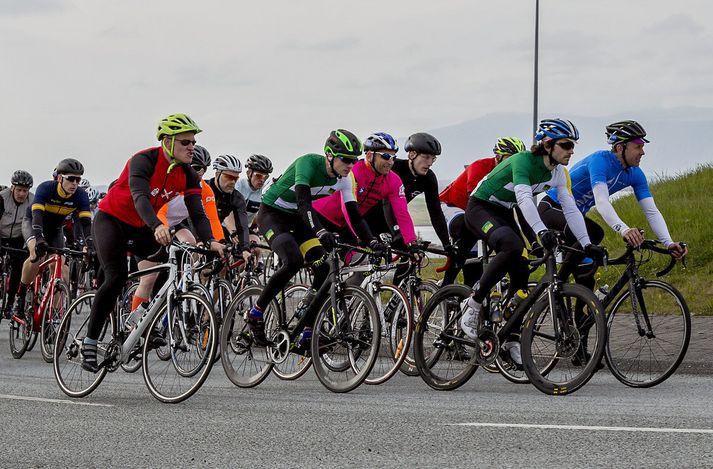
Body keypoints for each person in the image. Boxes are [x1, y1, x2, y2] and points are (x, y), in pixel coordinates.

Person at [81, 113, 224, 372]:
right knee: (116, 276)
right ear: (167, 142)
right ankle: (90, 342)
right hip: (112, 220)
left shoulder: (188, 174)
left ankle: (143, 322)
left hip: (140, 226)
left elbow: (197, 212)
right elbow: (140, 198)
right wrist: (157, 225)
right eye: (185, 142)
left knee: (165, 265)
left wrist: (211, 241)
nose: (191, 147)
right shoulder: (143, 160)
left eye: (193, 142)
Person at [458, 118, 605, 366]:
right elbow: (525, 200)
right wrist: (541, 232)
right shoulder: (522, 161)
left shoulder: (559, 173)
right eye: (567, 145)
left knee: (522, 271)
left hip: (504, 210)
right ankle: (472, 304)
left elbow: (570, 209)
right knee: (512, 246)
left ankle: (512, 338)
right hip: (480, 207)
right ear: (547, 144)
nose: (572, 151)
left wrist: (586, 243)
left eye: (573, 146)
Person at [538, 120, 687, 293]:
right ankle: (554, 288)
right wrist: (624, 230)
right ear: (619, 148)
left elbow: (651, 212)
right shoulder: (599, 161)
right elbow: (602, 202)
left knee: (586, 277)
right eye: (638, 146)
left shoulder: (635, 174)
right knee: (595, 233)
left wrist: (668, 243)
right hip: (551, 209)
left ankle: (578, 317)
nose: (643, 152)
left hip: (575, 218)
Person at [246, 129, 364, 348]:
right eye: (346, 160)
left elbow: (354, 215)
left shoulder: (346, 179)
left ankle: (308, 330)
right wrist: (320, 232)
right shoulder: (308, 163)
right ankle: (255, 312)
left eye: (354, 161)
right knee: (293, 260)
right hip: (272, 214)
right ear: (329, 155)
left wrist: (370, 241)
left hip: (298, 218)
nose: (350, 165)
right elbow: (304, 204)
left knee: (324, 267)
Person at [439, 137, 527, 286]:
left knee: (475, 271)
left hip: (475, 211)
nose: (514, 164)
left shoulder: (514, 174)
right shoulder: (480, 166)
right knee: (468, 227)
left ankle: (468, 292)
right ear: (498, 157)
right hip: (452, 205)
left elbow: (514, 209)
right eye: (510, 159)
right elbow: (475, 201)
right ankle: (447, 283)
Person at [14, 159, 92, 319]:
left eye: (78, 179)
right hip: (33, 223)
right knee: (35, 256)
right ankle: (20, 296)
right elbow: (36, 217)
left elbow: (84, 224)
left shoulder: (81, 196)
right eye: (71, 178)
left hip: (56, 229)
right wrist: (39, 238)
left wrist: (89, 245)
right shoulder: (46, 188)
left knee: (62, 271)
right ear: (60, 178)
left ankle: (53, 317)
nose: (75, 183)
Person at [313, 131, 412, 255]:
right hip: (322, 217)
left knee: (360, 263)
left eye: (393, 157)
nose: (391, 162)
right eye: (386, 156)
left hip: (346, 225)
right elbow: (347, 209)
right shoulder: (354, 171)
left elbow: (402, 213)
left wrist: (411, 242)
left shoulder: (393, 180)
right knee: (321, 262)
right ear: (370, 155)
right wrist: (360, 236)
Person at [0, 170, 34, 319]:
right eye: (19, 190)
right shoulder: (2, 197)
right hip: (1, 234)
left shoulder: (33, 201)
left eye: (25, 191)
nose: (21, 194)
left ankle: (10, 304)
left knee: (19, 267)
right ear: (12, 187)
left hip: (19, 236)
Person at [205, 154, 252, 259]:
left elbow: (242, 226)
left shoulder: (237, 198)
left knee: (224, 259)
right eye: (229, 177)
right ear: (217, 174)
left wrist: (245, 249)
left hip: (217, 231)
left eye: (236, 178)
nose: (233, 182)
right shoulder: (204, 188)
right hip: (191, 228)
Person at [235, 154, 274, 258]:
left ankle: (251, 270)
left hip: (246, 227)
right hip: (228, 227)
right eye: (259, 175)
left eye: (265, 177)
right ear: (249, 173)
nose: (262, 179)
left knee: (256, 248)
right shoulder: (239, 185)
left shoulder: (264, 191)